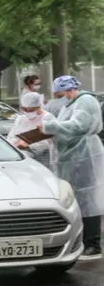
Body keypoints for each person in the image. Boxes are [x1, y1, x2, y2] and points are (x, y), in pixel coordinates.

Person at [41, 75, 104, 261]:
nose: (61, 97)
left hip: (85, 156)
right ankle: (83, 242)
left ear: (70, 89)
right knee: (77, 199)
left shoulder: (85, 101)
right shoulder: (71, 103)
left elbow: (78, 126)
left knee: (88, 200)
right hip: (74, 157)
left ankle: (93, 244)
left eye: (62, 93)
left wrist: (49, 126)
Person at [7, 91, 55, 171]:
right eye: (25, 109)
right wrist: (16, 143)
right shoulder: (21, 119)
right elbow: (11, 136)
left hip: (42, 159)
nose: (27, 112)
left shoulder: (47, 118)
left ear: (39, 106)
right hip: (21, 158)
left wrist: (28, 145)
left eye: (31, 110)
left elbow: (48, 142)